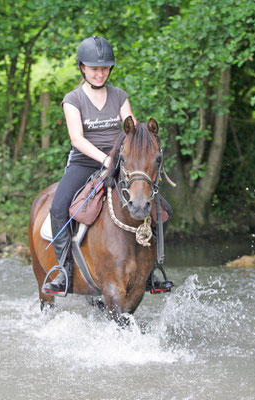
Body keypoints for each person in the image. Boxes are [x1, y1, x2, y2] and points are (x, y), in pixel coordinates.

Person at [42, 35, 173, 296]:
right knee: (58, 206)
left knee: (163, 209)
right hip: (84, 161)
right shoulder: (73, 99)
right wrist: (105, 160)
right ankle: (63, 270)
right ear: (83, 68)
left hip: (121, 160)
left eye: (104, 68)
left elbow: (132, 131)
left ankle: (152, 269)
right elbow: (77, 139)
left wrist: (130, 156)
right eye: (94, 69)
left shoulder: (120, 96)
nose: (100, 74)